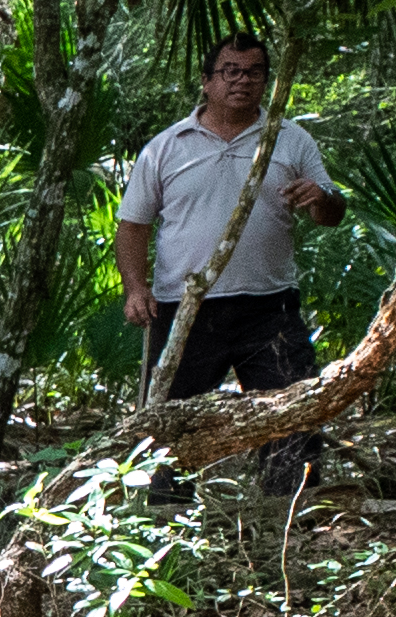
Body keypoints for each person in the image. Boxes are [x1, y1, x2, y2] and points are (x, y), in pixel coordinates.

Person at [114, 30, 346, 489]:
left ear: (267, 82)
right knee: (168, 427)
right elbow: (133, 225)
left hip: (269, 307)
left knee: (291, 417)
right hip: (185, 309)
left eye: (254, 72)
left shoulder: (290, 139)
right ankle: (166, 528)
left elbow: (330, 212)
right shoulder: (167, 146)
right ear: (206, 81)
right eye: (230, 71)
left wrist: (320, 198)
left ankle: (290, 519)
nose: (242, 81)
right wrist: (135, 288)